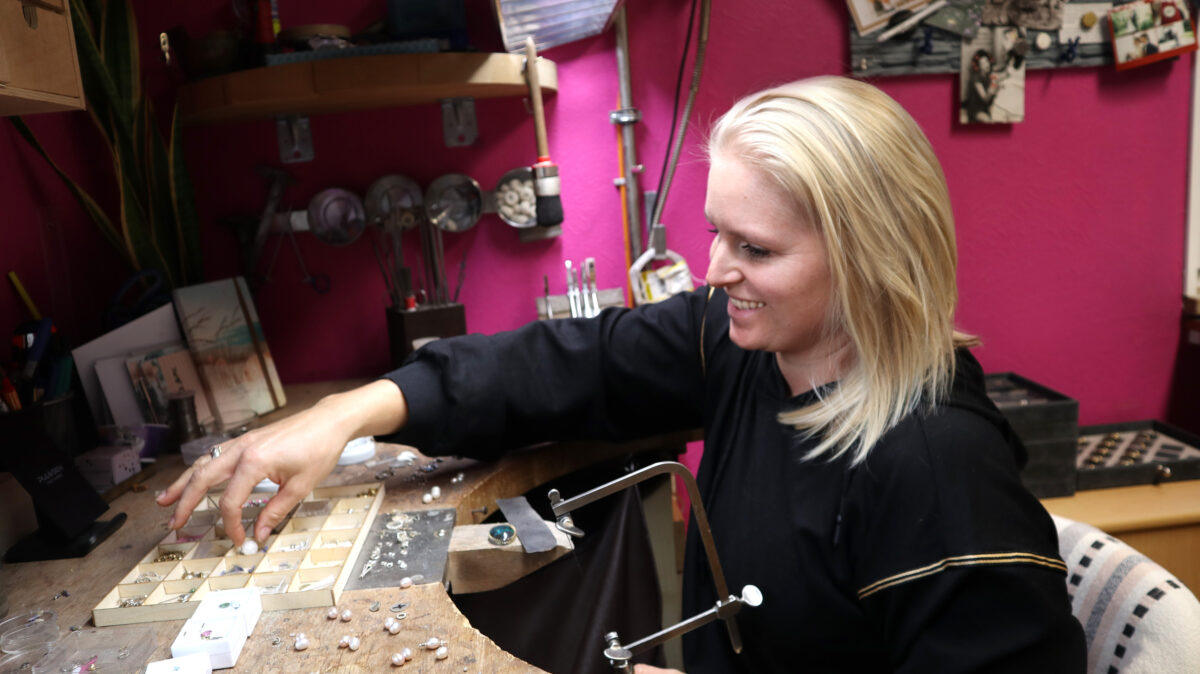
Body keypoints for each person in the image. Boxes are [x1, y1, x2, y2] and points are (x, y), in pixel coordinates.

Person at [159, 76, 1086, 673]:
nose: (715, 267)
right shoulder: (748, 345)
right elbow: (561, 364)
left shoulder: (936, 470)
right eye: (716, 230)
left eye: (755, 247)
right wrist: (350, 415)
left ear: (870, 258)